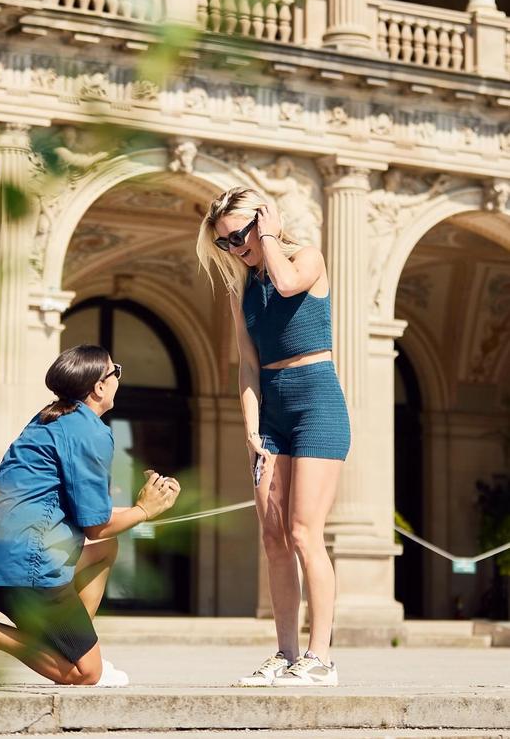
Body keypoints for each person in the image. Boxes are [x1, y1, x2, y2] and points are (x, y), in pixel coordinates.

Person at [0, 344, 180, 686]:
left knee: (107, 549)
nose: (117, 380)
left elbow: (92, 522)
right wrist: (143, 510)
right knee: (86, 674)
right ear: (99, 386)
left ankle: (78, 646)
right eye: (116, 372)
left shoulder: (50, 418)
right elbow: (96, 526)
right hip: (24, 564)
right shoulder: (91, 432)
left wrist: (147, 509)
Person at [196, 187, 350, 687]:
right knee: (273, 535)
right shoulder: (243, 290)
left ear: (263, 220)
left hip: (317, 402)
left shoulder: (305, 257)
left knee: (306, 531)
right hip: (273, 414)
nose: (236, 247)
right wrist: (251, 431)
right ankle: (286, 654)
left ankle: (320, 657)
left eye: (240, 234)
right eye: (225, 243)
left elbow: (286, 285)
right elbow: (247, 365)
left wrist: (268, 234)